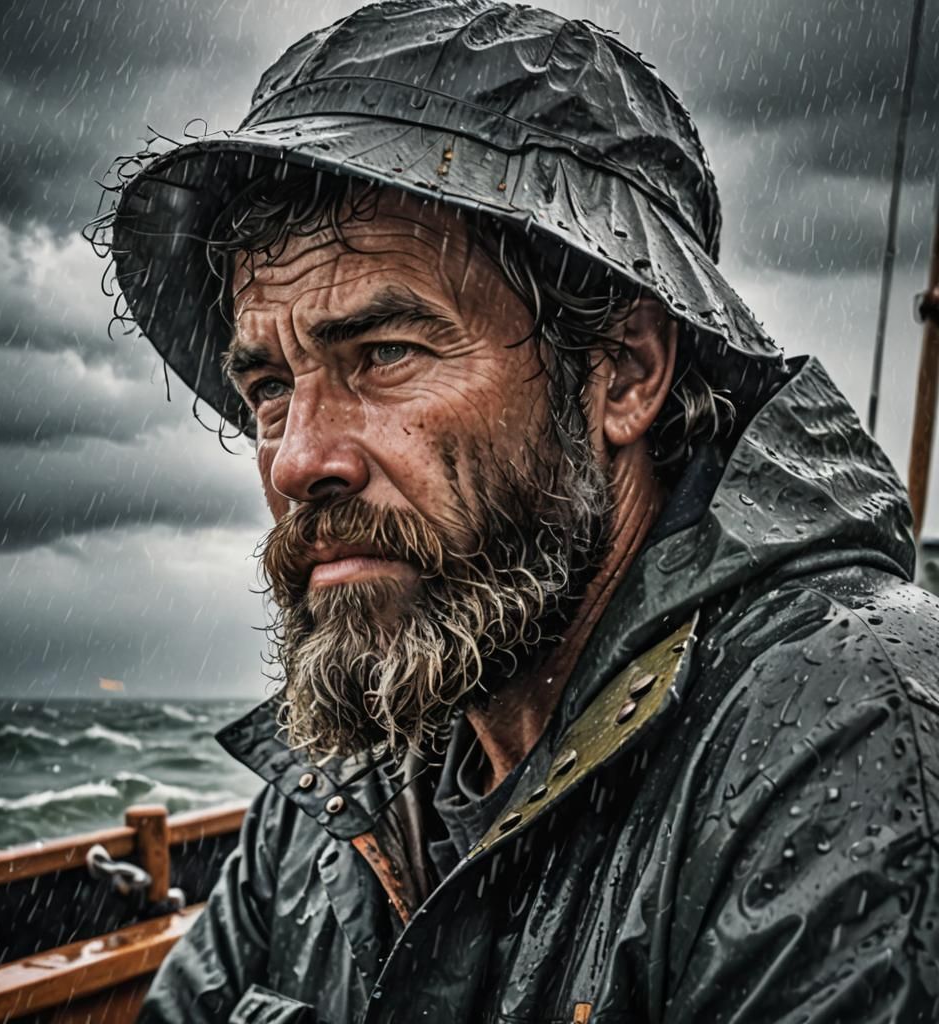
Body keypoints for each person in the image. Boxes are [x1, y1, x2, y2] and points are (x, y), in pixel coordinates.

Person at [99, 2, 939, 1020]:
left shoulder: (845, 734)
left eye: (384, 354)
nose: (298, 458)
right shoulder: (337, 782)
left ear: (621, 373)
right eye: (270, 384)